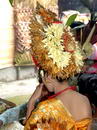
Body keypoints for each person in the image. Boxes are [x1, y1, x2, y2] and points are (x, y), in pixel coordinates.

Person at [24, 3, 92, 130]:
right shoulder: (84, 100)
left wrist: (31, 102)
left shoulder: (47, 108)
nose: (42, 81)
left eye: (42, 76)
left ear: (49, 76)